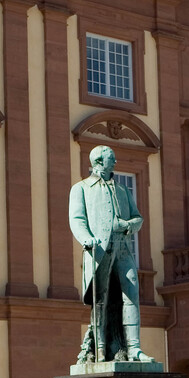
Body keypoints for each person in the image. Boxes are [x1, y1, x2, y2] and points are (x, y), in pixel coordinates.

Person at [69, 145, 153, 364]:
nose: (115, 162)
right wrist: (86, 238)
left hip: (123, 247)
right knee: (101, 299)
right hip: (99, 250)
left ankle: (134, 348)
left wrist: (128, 225)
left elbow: (138, 218)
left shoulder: (123, 190)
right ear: (99, 161)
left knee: (131, 294)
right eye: (111, 159)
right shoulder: (82, 188)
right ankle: (100, 348)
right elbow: (77, 220)